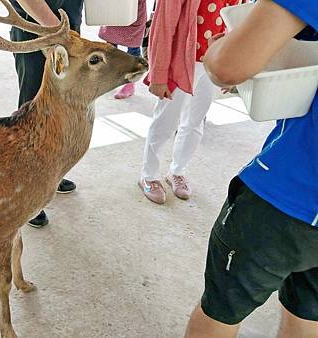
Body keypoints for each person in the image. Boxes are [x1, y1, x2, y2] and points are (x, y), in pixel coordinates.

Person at [185, 0, 318, 336]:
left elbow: (230, 66)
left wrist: (217, 51)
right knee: (308, 316)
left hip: (290, 196)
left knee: (221, 310)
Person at [140, 0, 242, 204]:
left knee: (196, 122)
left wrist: (233, 68)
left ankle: (177, 171)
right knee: (165, 122)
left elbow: (237, 24)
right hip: (179, 61)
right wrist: (159, 75)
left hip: (212, 62)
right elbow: (163, 27)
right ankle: (149, 175)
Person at [10, 0, 84, 228]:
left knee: (64, 106)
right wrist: (56, 31)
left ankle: (53, 174)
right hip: (36, 28)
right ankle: (28, 194)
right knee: (34, 111)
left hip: (67, 27)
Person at [98, 0, 147, 99]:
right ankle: (110, 77)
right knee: (111, 46)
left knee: (133, 47)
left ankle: (130, 83)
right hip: (114, 8)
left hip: (135, 9)